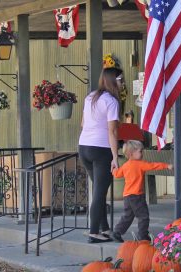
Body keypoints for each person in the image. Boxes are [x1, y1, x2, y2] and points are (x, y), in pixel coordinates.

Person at [79, 67, 123, 243]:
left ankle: (104, 228)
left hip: (84, 147)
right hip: (101, 149)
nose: (122, 83)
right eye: (120, 79)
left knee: (99, 190)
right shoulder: (111, 101)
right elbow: (112, 131)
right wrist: (115, 156)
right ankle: (93, 232)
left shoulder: (90, 97)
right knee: (99, 192)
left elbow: (83, 123)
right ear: (113, 80)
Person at [111, 140, 172, 242]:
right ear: (131, 153)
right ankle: (143, 235)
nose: (142, 153)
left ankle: (117, 232)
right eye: (140, 151)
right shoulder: (140, 164)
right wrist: (167, 166)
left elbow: (117, 174)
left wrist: (113, 168)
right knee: (143, 216)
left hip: (127, 196)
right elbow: (153, 166)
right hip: (137, 196)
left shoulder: (125, 165)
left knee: (128, 216)